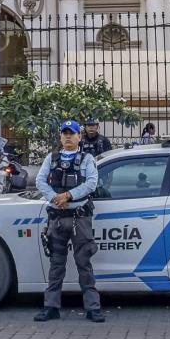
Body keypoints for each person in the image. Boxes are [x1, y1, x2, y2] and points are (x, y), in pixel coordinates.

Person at [34, 120, 104, 323]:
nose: (67, 137)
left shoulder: (86, 159)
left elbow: (91, 183)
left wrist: (68, 196)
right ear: (60, 137)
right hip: (57, 217)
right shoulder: (52, 157)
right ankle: (51, 307)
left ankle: (92, 308)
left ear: (79, 137)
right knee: (56, 265)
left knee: (84, 263)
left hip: (79, 218)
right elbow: (40, 181)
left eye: (71, 134)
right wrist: (56, 198)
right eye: (64, 134)